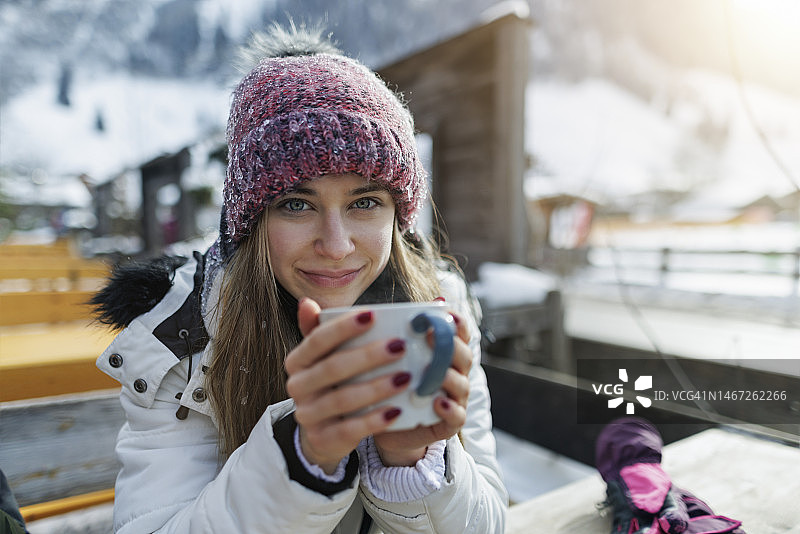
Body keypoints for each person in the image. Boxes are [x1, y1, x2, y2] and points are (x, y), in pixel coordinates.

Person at [92, 24, 507, 534]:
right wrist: (302, 456)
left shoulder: (441, 308)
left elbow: (489, 520)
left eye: (365, 202)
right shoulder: (183, 337)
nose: (336, 245)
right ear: (251, 220)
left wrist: (411, 462)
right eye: (296, 204)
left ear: (397, 215)